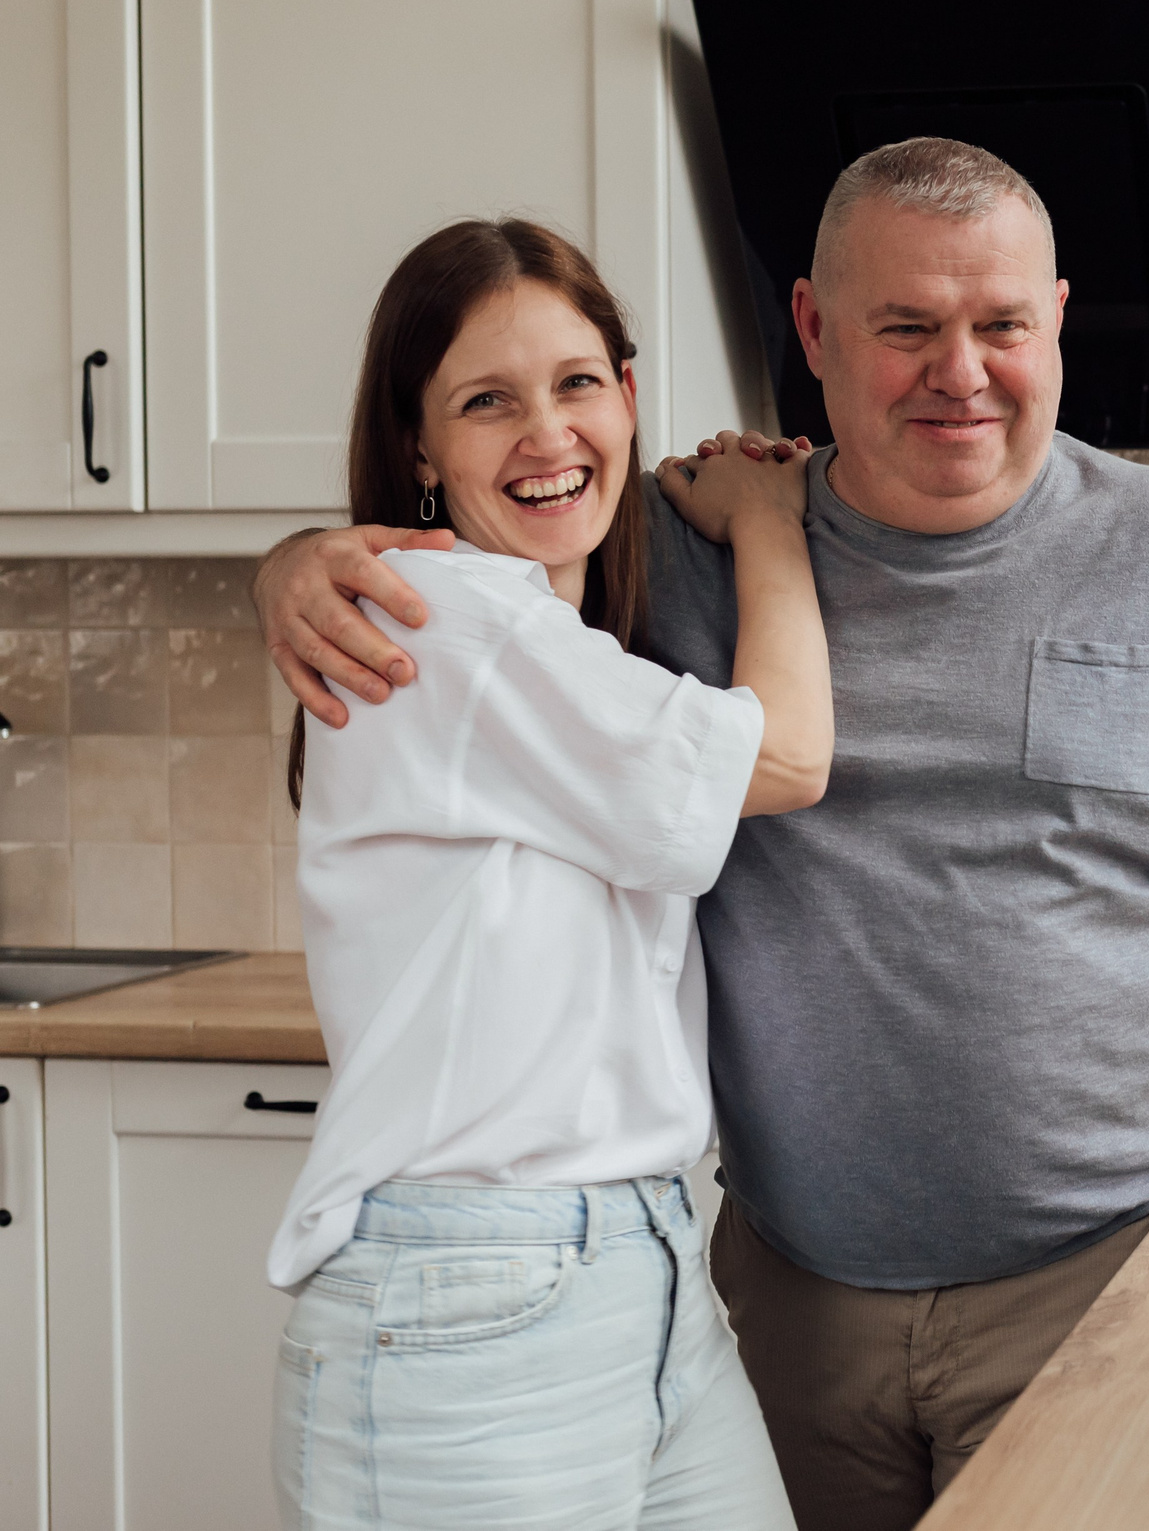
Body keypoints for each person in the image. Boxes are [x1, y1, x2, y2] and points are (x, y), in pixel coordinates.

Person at [256, 140, 1149, 1531]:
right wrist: (289, 565)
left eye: (1001, 325)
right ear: (813, 330)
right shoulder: (669, 549)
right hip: (777, 1305)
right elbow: (478, 574)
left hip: (1093, 1289)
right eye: (906, 328)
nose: (962, 370)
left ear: (1057, 316)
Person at [267, 218, 832, 1531]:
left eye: (578, 383)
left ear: (629, 397)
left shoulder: (558, 647)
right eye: (485, 402)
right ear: (420, 446)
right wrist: (768, 519)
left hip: (640, 1272)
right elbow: (792, 757)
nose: (547, 433)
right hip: (471, 1297)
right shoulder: (445, 614)